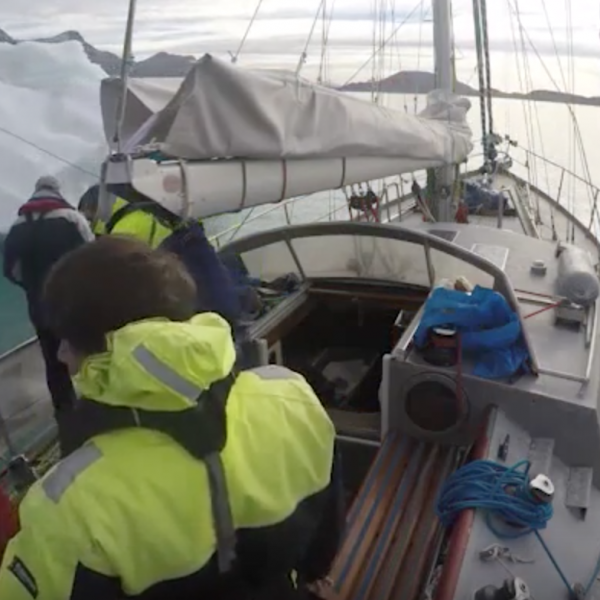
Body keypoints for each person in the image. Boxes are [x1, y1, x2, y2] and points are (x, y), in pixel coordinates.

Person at [0, 235, 344, 600]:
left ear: (104, 352)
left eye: (67, 340)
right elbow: (322, 546)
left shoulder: (67, 505)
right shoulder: (292, 395)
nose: (61, 355)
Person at [2, 176, 94, 413]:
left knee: (54, 362)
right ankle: (96, 404)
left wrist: (32, 286)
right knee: (88, 351)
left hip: (40, 307)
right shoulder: (72, 218)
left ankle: (65, 414)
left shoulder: (17, 226)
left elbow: (11, 270)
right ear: (57, 191)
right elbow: (93, 254)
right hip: (74, 302)